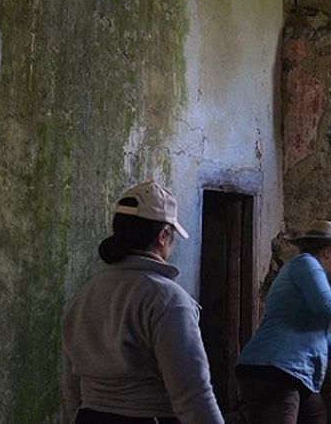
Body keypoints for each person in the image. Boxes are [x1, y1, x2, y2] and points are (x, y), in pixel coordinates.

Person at [61, 180, 222, 424]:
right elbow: (193, 394)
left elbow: (71, 386)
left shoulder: (85, 294)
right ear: (163, 236)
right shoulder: (168, 300)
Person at [235, 219, 331, 424]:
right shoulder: (307, 263)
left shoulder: (303, 272)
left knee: (316, 417)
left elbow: (319, 338)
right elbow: (330, 308)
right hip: (274, 370)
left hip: (288, 372)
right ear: (327, 251)